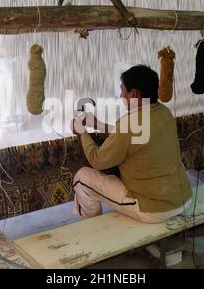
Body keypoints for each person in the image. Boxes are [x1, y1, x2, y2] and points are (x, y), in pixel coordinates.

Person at [70, 65, 192, 224]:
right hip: (182, 198)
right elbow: (133, 134)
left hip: (152, 208)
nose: (121, 95)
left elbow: (97, 160)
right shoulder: (164, 113)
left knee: (82, 178)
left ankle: (93, 229)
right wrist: (98, 124)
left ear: (133, 93)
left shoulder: (129, 124)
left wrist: (82, 132)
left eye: (123, 91)